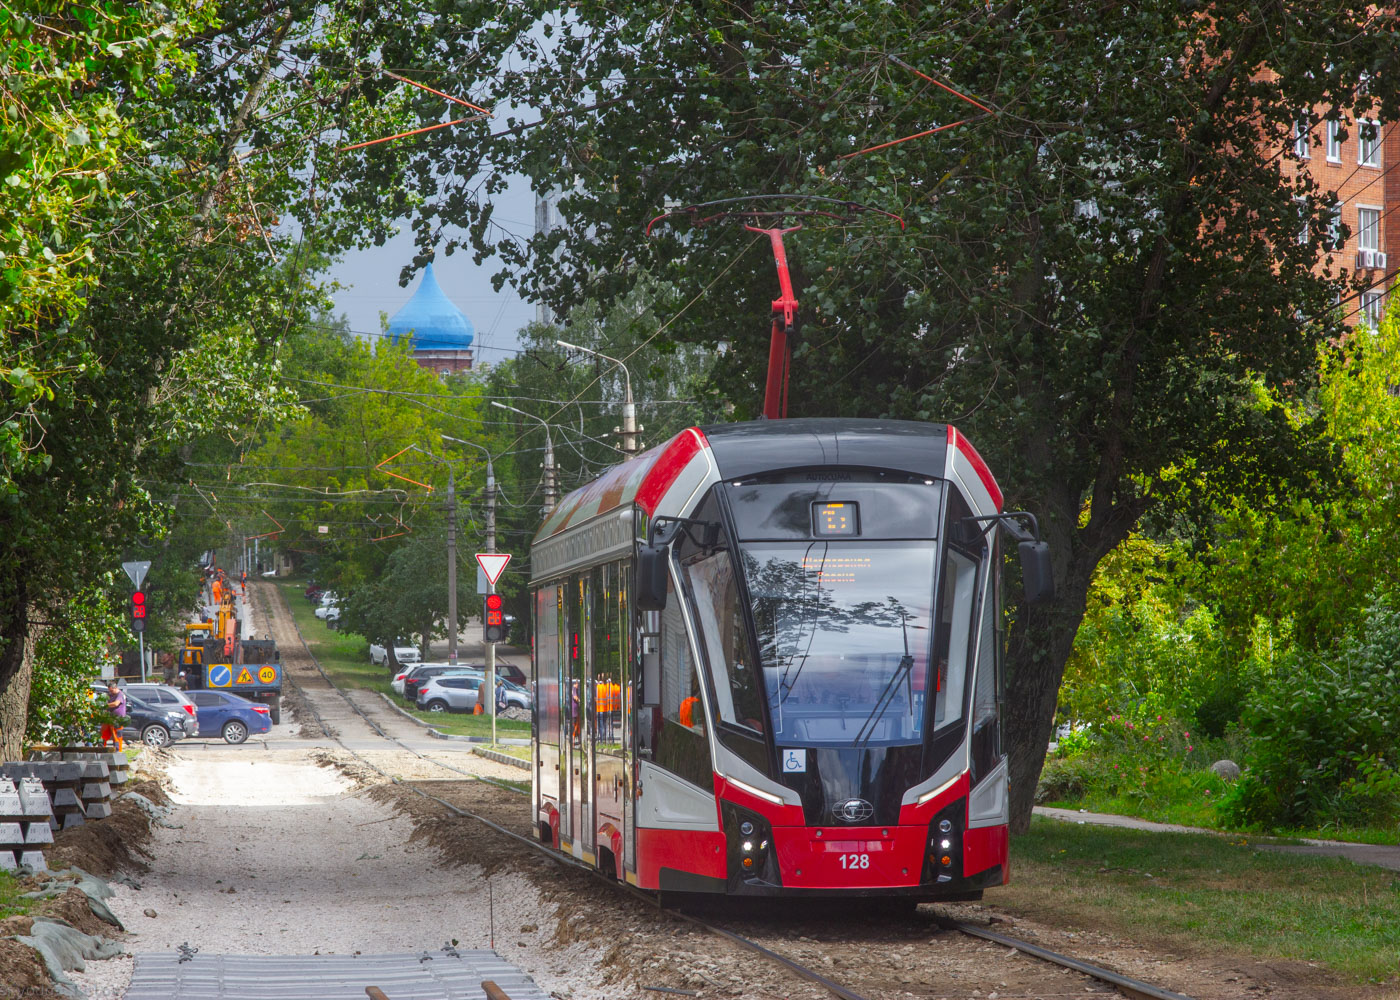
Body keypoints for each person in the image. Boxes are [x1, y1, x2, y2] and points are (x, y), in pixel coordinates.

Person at [101, 681, 127, 751]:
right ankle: (102, 748)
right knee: (105, 732)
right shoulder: (110, 695)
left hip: (119, 719)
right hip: (110, 718)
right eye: (109, 691)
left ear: (115, 688)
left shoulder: (120, 695)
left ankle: (118, 750)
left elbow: (116, 704)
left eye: (112, 690)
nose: (111, 692)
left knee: (117, 735)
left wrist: (105, 705)